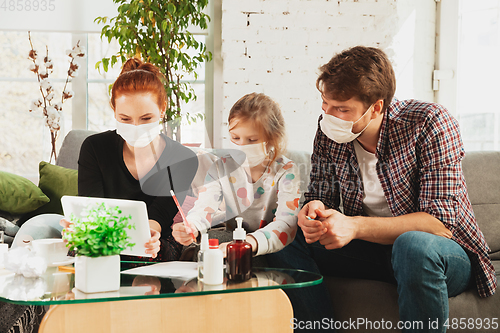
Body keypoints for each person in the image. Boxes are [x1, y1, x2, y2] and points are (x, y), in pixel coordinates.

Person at [267, 46, 497, 332]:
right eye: (325, 103)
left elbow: (438, 224)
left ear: (376, 107)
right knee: (278, 237)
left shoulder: (430, 122)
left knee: (412, 245)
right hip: (370, 252)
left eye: (342, 109)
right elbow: (319, 195)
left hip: (439, 254)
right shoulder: (330, 128)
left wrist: (353, 227)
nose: (330, 115)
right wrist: (312, 213)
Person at [60, 57, 198, 261]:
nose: (135, 127)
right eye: (125, 119)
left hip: (155, 241)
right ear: (114, 110)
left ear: (162, 109)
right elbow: (93, 208)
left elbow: (158, 216)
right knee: (84, 246)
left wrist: (148, 235)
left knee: (147, 252)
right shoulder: (94, 148)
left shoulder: (182, 159)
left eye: (146, 119)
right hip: (103, 236)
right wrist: (82, 229)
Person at [173, 93, 301, 258]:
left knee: (285, 254)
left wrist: (249, 243)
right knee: (201, 250)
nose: (242, 146)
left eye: (252, 140)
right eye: (235, 138)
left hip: (270, 243)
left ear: (272, 138)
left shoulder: (286, 170)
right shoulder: (220, 168)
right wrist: (191, 226)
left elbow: (286, 225)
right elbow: (204, 207)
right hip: (232, 241)